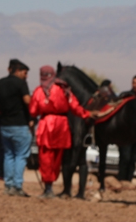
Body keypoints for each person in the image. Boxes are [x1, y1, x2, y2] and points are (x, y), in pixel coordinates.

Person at [28, 65, 92, 199]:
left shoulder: (39, 91)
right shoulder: (64, 89)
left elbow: (33, 111)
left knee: (46, 157)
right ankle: (53, 186)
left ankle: (48, 188)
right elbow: (75, 107)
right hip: (62, 125)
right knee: (58, 158)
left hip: (46, 124)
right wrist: (87, 114)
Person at [0, 59, 32, 197]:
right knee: (21, 156)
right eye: (25, 73)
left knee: (9, 155)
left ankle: (8, 185)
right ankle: (17, 185)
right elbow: (27, 101)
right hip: (20, 125)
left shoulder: (0, 83)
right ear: (18, 71)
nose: (26, 76)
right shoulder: (21, 83)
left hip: (4, 125)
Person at [118, 74, 136, 186]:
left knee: (134, 159)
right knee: (124, 158)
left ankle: (128, 181)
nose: (135, 85)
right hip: (126, 133)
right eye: (134, 83)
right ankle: (121, 180)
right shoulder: (127, 96)